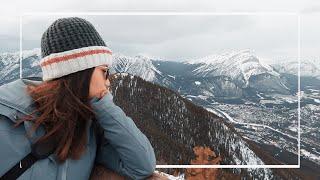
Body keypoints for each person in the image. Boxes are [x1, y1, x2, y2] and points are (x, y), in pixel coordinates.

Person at [0, 17, 156, 180]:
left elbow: (142, 166)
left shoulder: (89, 127)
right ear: (82, 71)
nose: (108, 81)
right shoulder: (7, 116)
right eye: (105, 72)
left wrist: (104, 106)